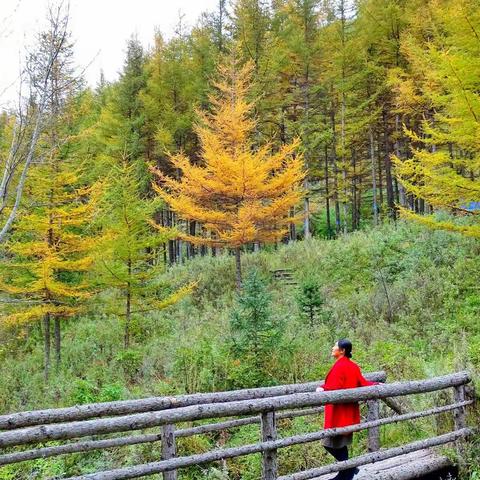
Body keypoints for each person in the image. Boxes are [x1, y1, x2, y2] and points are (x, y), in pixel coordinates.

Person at [316, 339, 379, 480]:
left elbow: (334, 386)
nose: (332, 348)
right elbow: (362, 383)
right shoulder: (353, 366)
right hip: (347, 413)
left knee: (329, 443)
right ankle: (346, 472)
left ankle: (348, 470)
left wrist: (322, 388)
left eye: (335, 346)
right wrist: (376, 384)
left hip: (337, 413)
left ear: (342, 351)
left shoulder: (340, 366)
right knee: (339, 443)